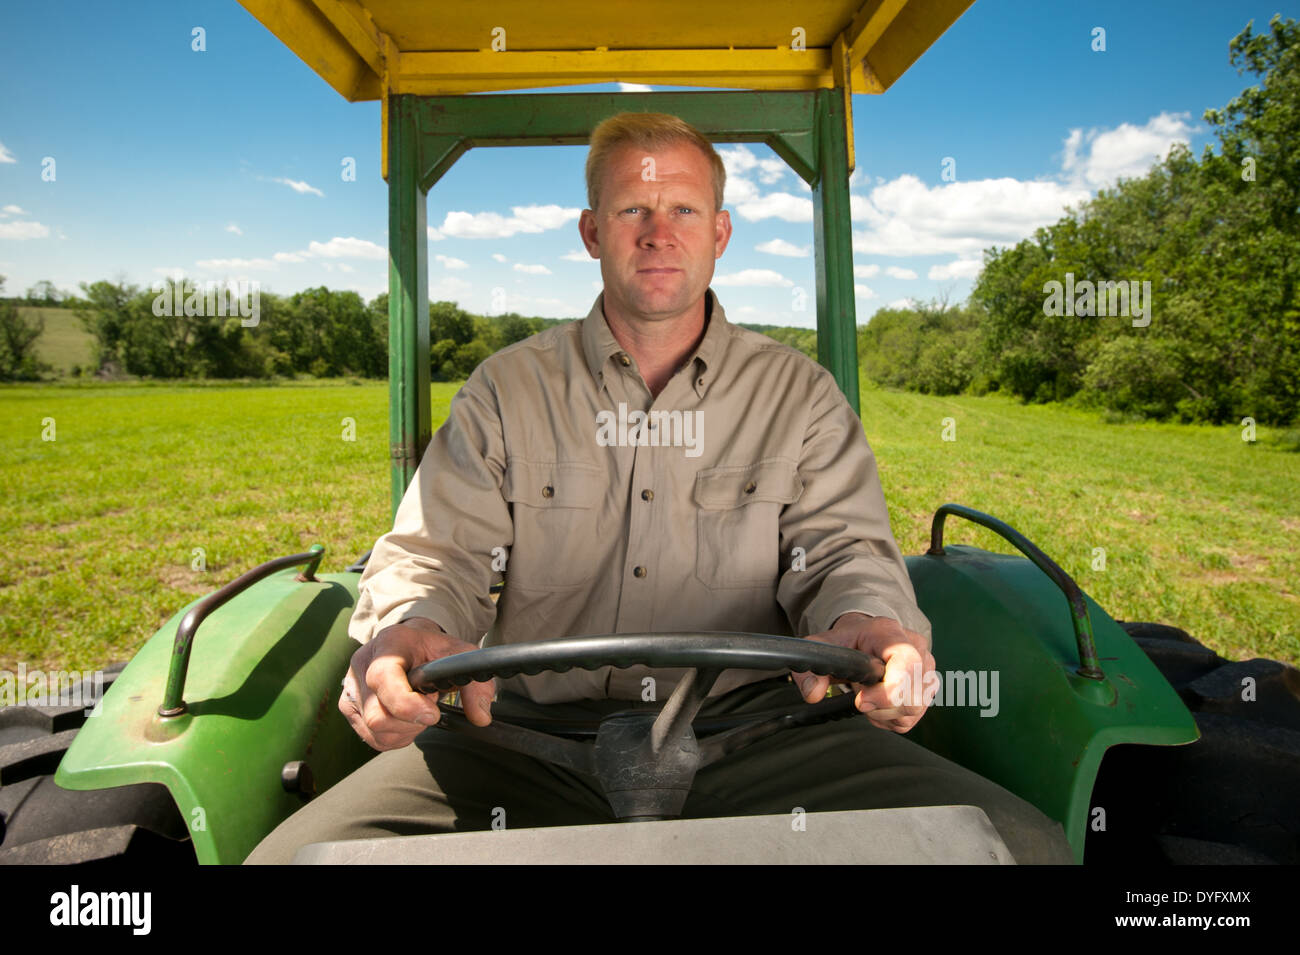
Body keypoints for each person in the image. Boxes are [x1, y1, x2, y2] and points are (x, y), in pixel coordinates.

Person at [246, 112, 1073, 864]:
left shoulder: (799, 396)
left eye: (681, 210)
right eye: (632, 212)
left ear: (719, 232)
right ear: (591, 231)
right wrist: (415, 627)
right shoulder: (508, 389)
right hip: (521, 739)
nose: (657, 234)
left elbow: (842, 550)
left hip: (761, 735)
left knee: (1023, 847)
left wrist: (868, 625)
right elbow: (441, 551)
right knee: (294, 860)